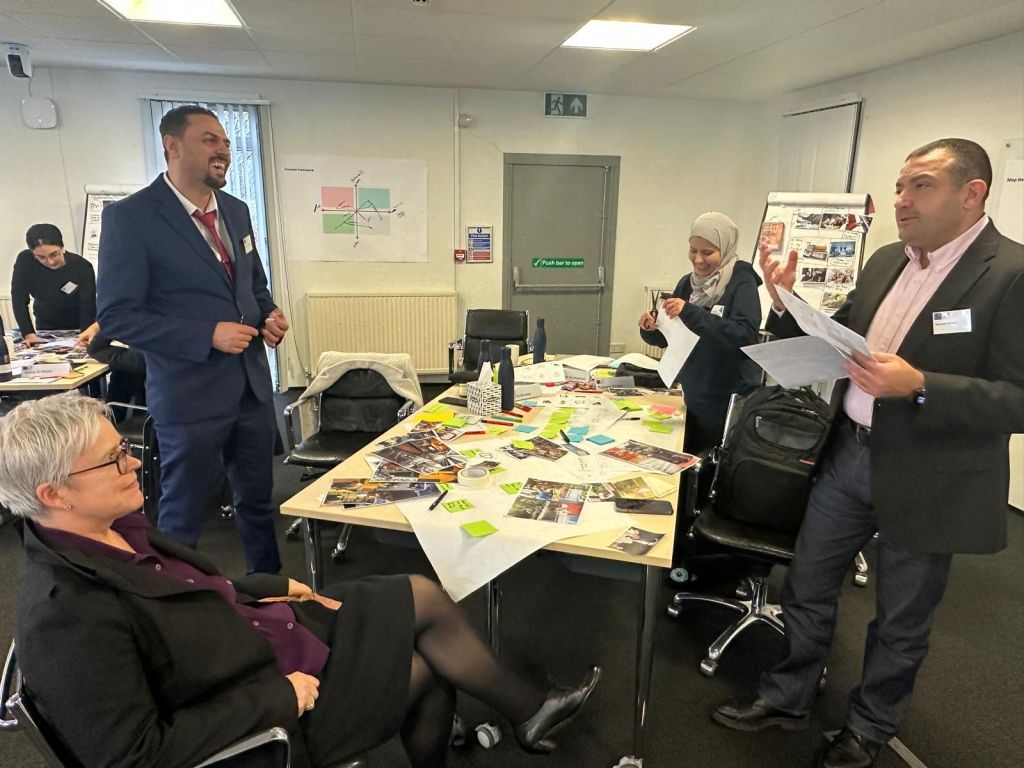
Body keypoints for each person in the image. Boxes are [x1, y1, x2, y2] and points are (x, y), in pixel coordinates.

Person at [1, 392, 602, 768]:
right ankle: (527, 711)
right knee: (421, 669)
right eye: (113, 459)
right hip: (261, 694)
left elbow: (181, 594)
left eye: (124, 449)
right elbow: (131, 756)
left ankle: (529, 710)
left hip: (258, 633)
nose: (134, 461)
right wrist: (276, 698)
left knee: (419, 595)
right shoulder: (66, 615)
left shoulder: (111, 527)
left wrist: (259, 585)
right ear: (53, 494)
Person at [713, 138, 1024, 768]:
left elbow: (1018, 397)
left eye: (922, 186)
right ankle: (787, 696)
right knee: (807, 586)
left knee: (900, 619)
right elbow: (844, 336)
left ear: (973, 193)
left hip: (932, 477)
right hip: (848, 457)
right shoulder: (886, 260)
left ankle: (868, 730)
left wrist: (922, 385)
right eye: (901, 186)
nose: (902, 201)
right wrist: (788, 303)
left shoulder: (1011, 274)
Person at [97, 104, 289, 573]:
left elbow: (253, 285)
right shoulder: (132, 218)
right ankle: (177, 604)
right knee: (183, 516)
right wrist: (208, 334)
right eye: (209, 139)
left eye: (224, 141)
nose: (222, 149)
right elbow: (117, 316)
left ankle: (271, 594)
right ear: (172, 145)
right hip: (188, 394)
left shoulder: (238, 212)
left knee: (259, 504)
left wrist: (270, 315)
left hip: (251, 387)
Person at [638, 211, 763, 454]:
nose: (698, 260)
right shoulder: (688, 283)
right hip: (693, 393)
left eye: (707, 252)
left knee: (712, 468)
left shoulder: (741, 282)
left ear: (725, 249)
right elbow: (671, 338)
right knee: (687, 461)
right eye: (693, 251)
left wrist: (692, 313)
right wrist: (650, 327)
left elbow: (746, 336)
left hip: (726, 398)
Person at [11, 223, 96, 347]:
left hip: (78, 324)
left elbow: (88, 305)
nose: (50, 261)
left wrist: (86, 334)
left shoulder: (82, 267)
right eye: (41, 257)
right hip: (46, 326)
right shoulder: (25, 261)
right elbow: (18, 298)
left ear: (62, 247)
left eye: (54, 254)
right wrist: (28, 333)